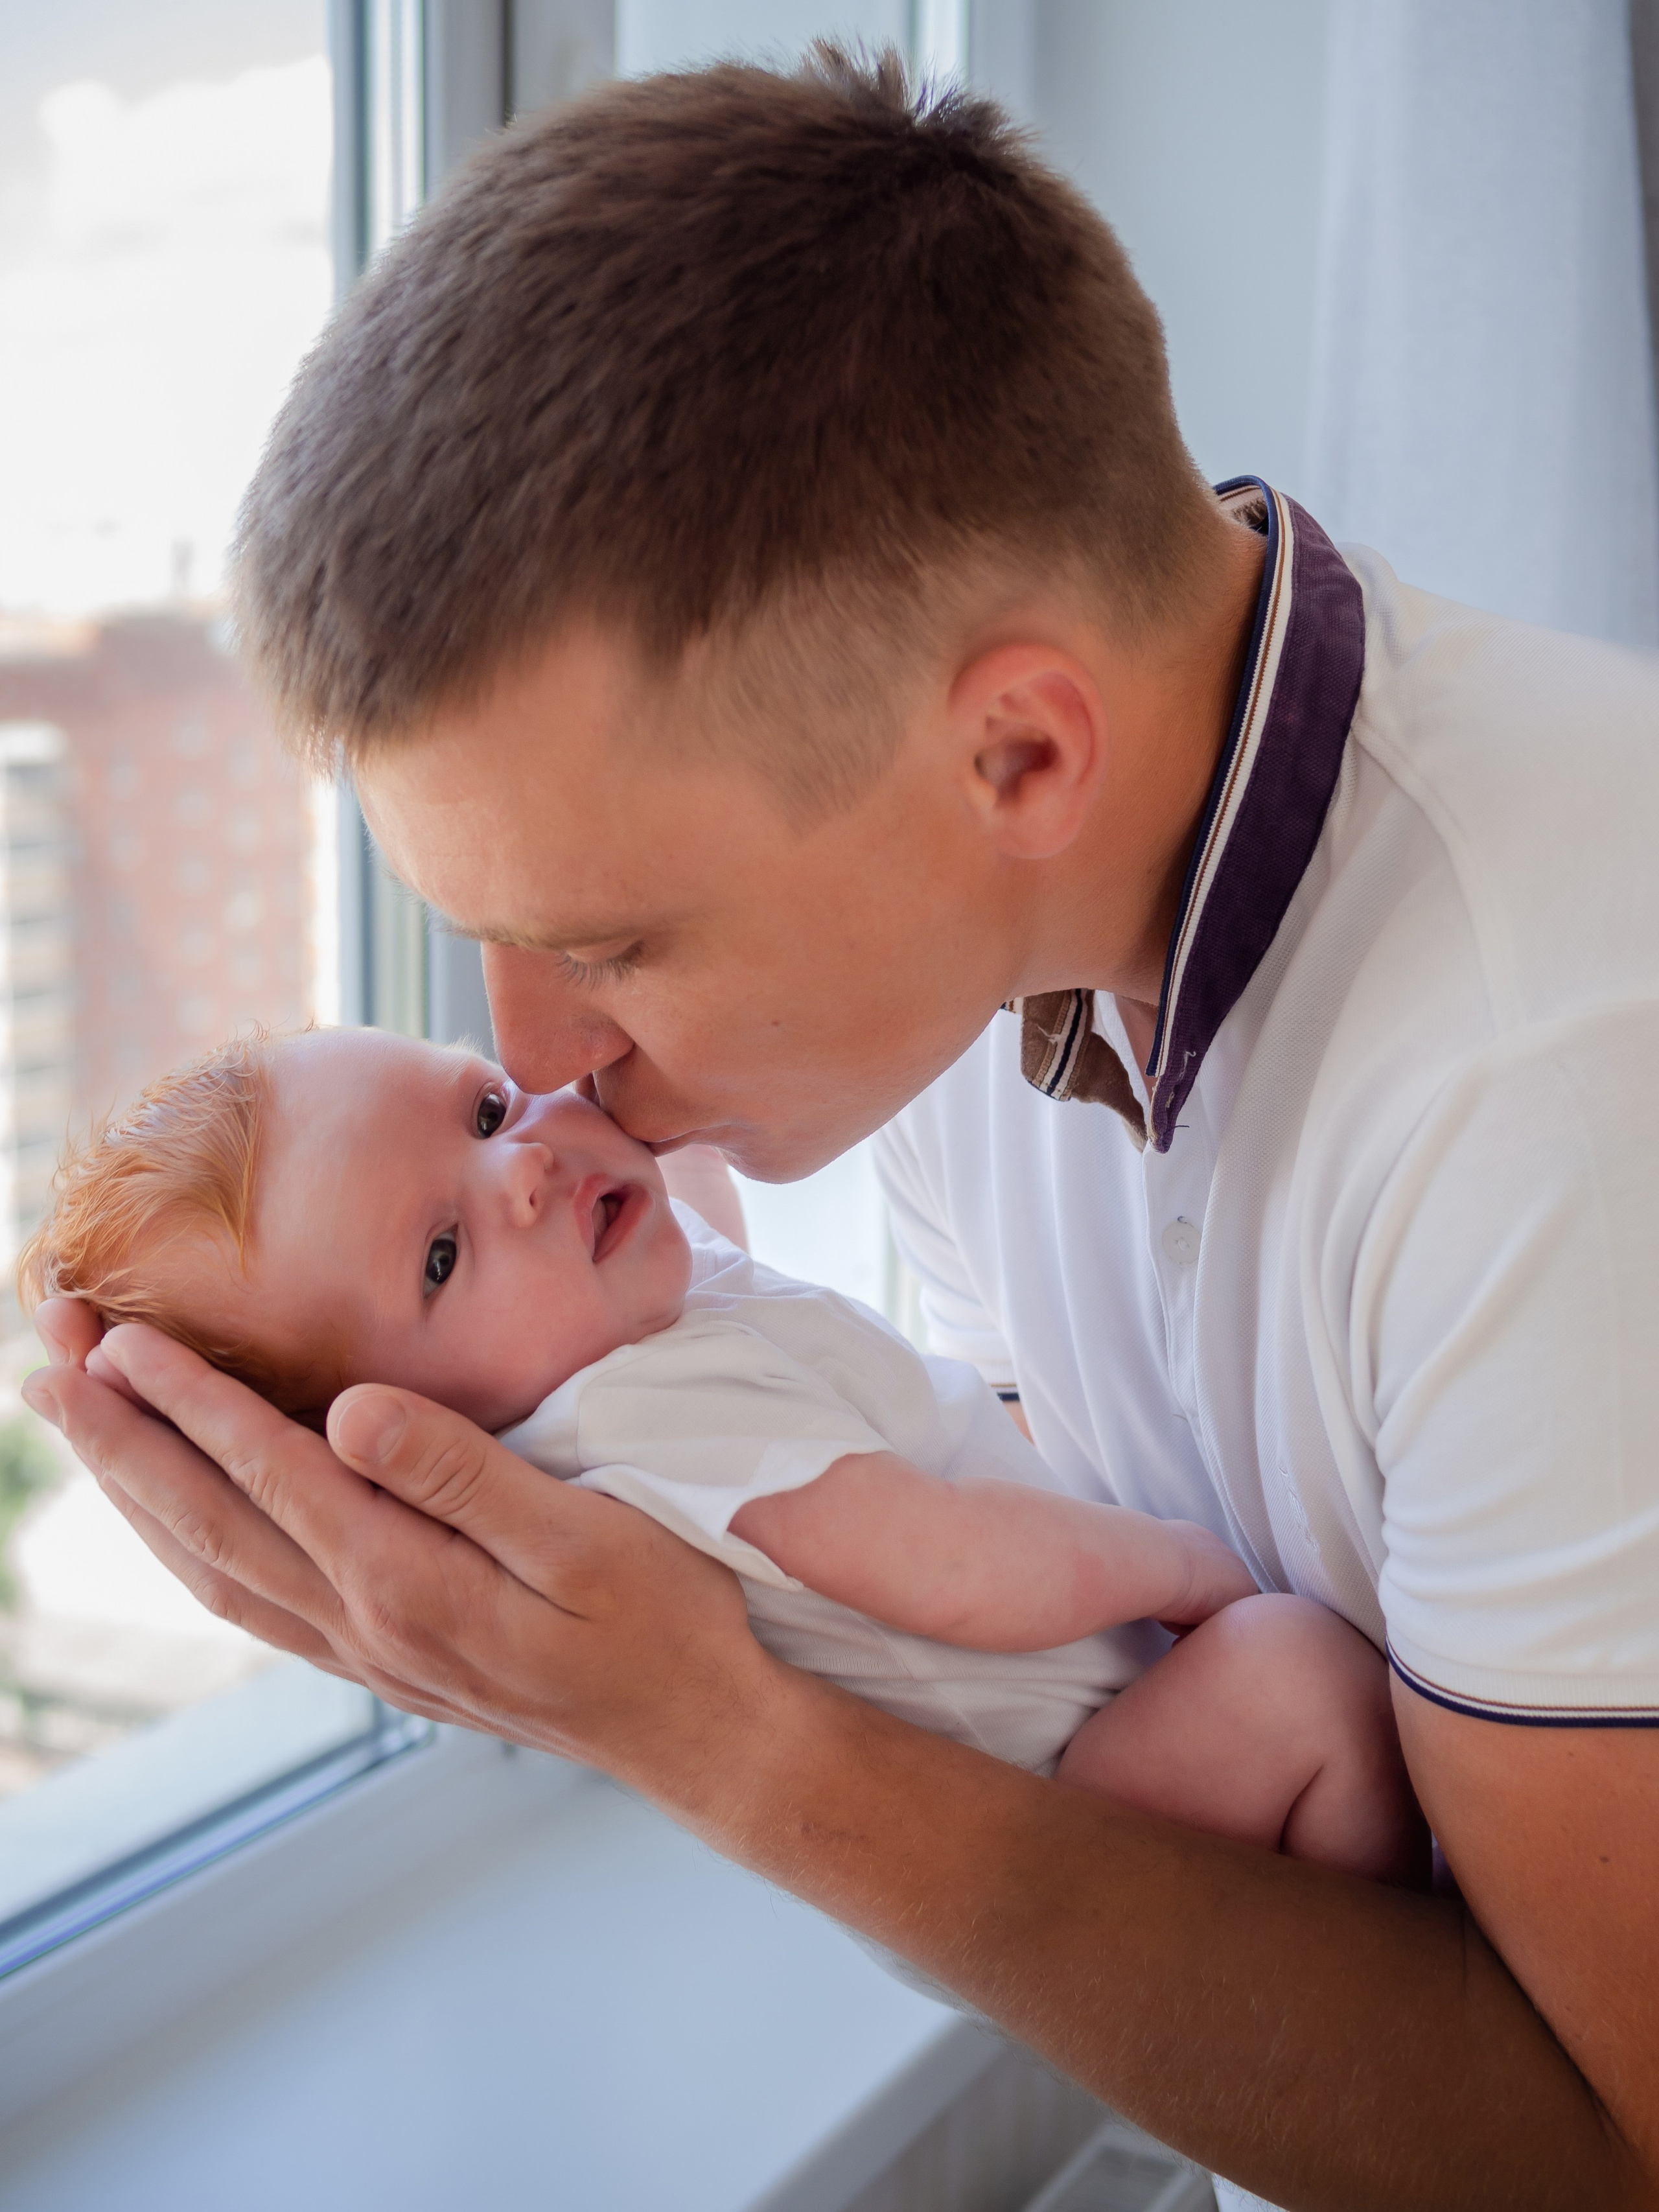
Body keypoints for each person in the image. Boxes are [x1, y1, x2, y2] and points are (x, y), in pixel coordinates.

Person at [25, 49, 1659, 2212]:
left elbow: (1608, 2153)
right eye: (483, 951)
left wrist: (703, 1732)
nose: (550, 1062)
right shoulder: (947, 987)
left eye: (606, 940)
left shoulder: (1562, 1074)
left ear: (1017, 757)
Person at [19, 1025, 1419, 1882]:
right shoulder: (624, 1424)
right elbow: (946, 1566)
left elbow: (723, 1271)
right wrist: (1185, 1570)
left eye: (485, 1108)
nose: (524, 1166)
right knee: (1295, 1677)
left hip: (1083, 1733)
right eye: (440, 1253)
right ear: (408, 1438)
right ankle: (1385, 1931)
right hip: (1070, 1784)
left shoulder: (617, 1330)